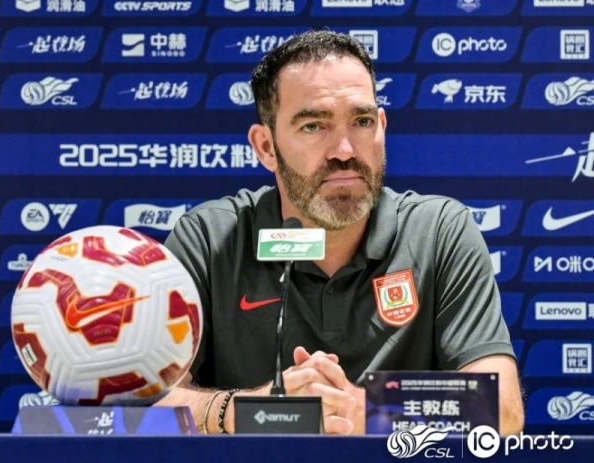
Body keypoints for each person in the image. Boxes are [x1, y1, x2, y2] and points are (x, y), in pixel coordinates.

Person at [156, 30, 524, 436]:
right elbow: (142, 411)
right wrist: (253, 410)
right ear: (266, 147)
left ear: (381, 128)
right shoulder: (209, 238)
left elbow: (503, 411)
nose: (344, 150)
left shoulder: (438, 232)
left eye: (362, 122)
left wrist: (363, 408)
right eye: (314, 126)